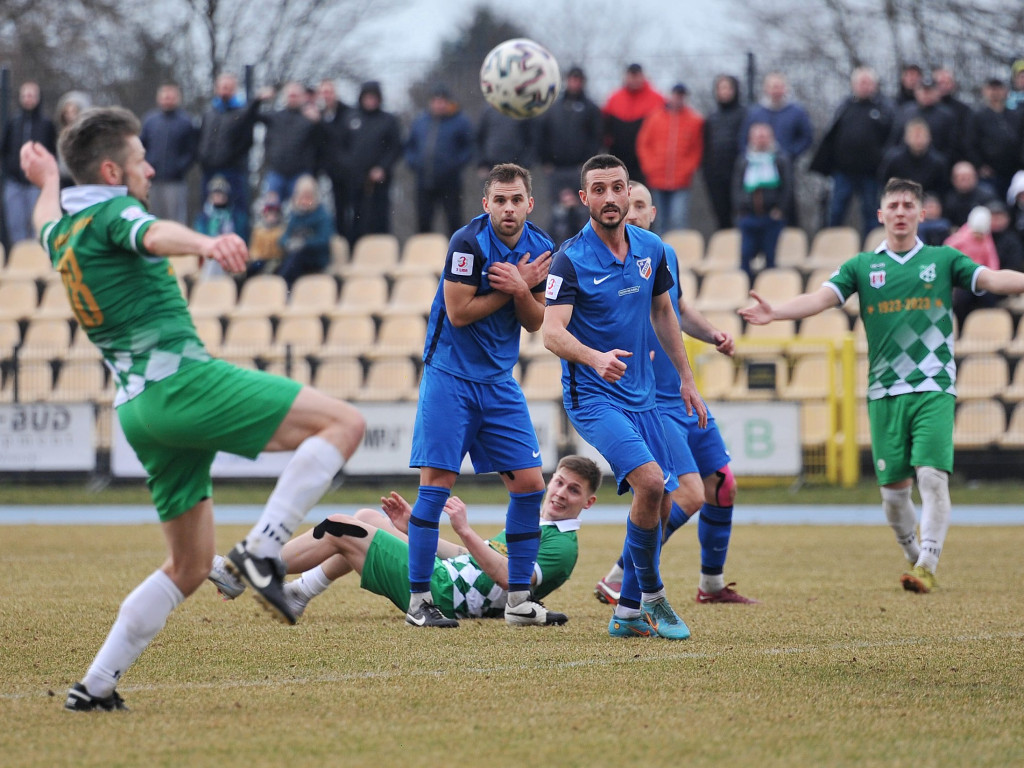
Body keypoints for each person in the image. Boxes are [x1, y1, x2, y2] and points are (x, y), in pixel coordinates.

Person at [21, 107, 366, 712]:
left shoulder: (63, 230)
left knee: (188, 565)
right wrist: (206, 241)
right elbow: (150, 233)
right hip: (179, 382)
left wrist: (48, 179)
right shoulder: (115, 211)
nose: (150, 168)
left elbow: (45, 214)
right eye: (139, 159)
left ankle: (95, 685)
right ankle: (264, 548)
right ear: (111, 169)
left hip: (136, 409)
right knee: (346, 423)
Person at [739, 177, 1024, 594]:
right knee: (894, 497)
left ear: (922, 214)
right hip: (884, 391)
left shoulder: (945, 260)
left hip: (933, 386)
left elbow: (995, 280)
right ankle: (914, 556)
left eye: (910, 205)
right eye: (894, 206)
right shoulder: (862, 267)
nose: (902, 212)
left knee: (932, 478)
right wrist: (776, 312)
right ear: (881, 214)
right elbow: (820, 299)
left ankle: (928, 560)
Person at [542, 153, 707, 640]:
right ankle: (653, 596)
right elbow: (552, 333)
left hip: (644, 397)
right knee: (653, 484)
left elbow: (664, 313)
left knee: (656, 501)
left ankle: (627, 612)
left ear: (627, 190)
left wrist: (686, 377)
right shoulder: (568, 259)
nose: (610, 198)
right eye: (600, 189)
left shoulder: (651, 248)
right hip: (593, 397)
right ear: (584, 197)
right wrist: (594, 358)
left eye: (618, 188)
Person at [405, 163, 555, 629]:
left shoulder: (544, 248)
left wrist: (523, 289)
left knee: (531, 485)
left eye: (516, 200)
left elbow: (535, 322)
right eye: (500, 201)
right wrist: (515, 286)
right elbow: (459, 311)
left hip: (498, 381)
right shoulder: (466, 243)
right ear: (485, 204)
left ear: (530, 204)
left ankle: (519, 601)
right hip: (449, 377)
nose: (508, 209)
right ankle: (419, 603)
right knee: (435, 487)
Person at [593, 181, 756, 607]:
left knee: (723, 486)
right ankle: (620, 575)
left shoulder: (661, 255)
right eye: (628, 205)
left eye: (640, 204)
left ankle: (712, 585)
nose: (631, 212)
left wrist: (713, 333)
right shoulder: (609, 264)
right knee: (688, 493)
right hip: (652, 403)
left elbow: (677, 311)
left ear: (651, 213)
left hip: (683, 394)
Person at [209, 455, 601, 621]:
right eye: (559, 482)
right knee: (366, 517)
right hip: (450, 577)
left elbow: (506, 578)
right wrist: (414, 529)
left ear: (588, 502)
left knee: (339, 527)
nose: (560, 493)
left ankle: (238, 574)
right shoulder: (538, 521)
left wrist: (463, 528)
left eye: (573, 490)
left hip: (445, 595)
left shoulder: (562, 547)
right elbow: (474, 560)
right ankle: (297, 596)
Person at [812, 67, 894, 238]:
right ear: (853, 85)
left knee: (871, 213)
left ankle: (872, 250)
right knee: (836, 211)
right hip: (843, 172)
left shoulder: (884, 108)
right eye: (861, 82)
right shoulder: (844, 106)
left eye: (868, 82)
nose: (864, 86)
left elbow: (891, 138)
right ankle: (831, 245)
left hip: (871, 173)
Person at [197, 73, 267, 241]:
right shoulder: (209, 112)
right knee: (207, 210)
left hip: (233, 171)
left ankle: (239, 245)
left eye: (228, 87)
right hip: (209, 170)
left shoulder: (241, 112)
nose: (224, 90)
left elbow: (247, 140)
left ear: (234, 89)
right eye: (222, 86)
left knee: (237, 211)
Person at [740, 72, 813, 226]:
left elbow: (807, 137)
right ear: (766, 89)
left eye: (779, 86)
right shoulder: (755, 113)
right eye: (772, 87)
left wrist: (791, 154)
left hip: (786, 168)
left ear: (785, 88)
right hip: (758, 172)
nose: (776, 90)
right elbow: (744, 138)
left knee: (788, 203)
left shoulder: (797, 112)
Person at [535, 65, 603, 229]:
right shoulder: (554, 108)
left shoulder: (591, 108)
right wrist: (545, 161)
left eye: (578, 80)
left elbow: (596, 138)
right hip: (556, 169)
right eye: (572, 79)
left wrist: (588, 163)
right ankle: (555, 248)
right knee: (557, 213)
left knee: (581, 212)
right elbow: (542, 134)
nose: (575, 83)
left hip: (579, 169)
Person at [405, 85, 475, 236]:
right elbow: (410, 146)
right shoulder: (420, 121)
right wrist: (414, 162)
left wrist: (454, 164)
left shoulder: (460, 121)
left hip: (450, 181)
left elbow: (469, 147)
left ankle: (455, 254)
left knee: (453, 220)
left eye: (442, 101)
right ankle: (424, 254)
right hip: (424, 180)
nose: (439, 105)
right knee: (423, 221)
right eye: (436, 101)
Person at [635, 83, 704, 233]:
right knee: (659, 221)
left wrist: (687, 170)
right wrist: (650, 167)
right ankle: (660, 254)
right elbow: (643, 144)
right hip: (657, 179)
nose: (678, 98)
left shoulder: (694, 120)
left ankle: (678, 254)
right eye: (676, 94)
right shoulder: (654, 118)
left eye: (681, 95)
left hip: (681, 181)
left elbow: (696, 149)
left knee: (679, 219)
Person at [733, 121, 793, 280]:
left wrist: (780, 209)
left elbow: (787, 187)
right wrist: (741, 210)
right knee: (745, 256)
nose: (761, 140)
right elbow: (736, 186)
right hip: (749, 217)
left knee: (770, 258)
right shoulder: (744, 160)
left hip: (771, 217)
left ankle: (770, 290)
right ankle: (746, 290)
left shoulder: (779, 159)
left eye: (764, 136)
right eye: (757, 136)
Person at [345, 81, 402, 244]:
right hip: (355, 179)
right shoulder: (351, 118)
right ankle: (355, 251)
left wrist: (382, 167)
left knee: (380, 215)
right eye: (367, 97)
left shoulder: (388, 120)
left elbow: (395, 147)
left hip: (380, 179)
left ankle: (382, 252)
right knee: (356, 216)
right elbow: (342, 146)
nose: (370, 101)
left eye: (374, 97)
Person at [2, 81, 57, 246]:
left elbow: (52, 152)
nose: (28, 99)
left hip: (37, 184)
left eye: (31, 95)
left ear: (38, 98)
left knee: (37, 225)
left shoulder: (47, 124)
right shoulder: (13, 122)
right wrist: (8, 171)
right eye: (25, 95)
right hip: (14, 183)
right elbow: (4, 149)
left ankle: (38, 263)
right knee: (15, 225)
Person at [139, 83, 197, 224]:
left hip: (175, 182)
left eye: (171, 96)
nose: (167, 99)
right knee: (152, 219)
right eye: (165, 96)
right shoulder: (150, 120)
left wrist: (179, 168)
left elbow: (192, 151)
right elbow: (141, 147)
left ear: (178, 98)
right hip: (152, 180)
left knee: (175, 220)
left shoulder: (186, 122)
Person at [601, 63, 664, 186]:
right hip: (619, 160)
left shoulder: (657, 99)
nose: (634, 79)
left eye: (637, 76)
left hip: (646, 163)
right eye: (631, 75)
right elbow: (605, 125)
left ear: (643, 77)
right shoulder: (614, 98)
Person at [259, 81, 322, 203]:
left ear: (303, 97)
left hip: (301, 174)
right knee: (271, 209)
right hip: (276, 172)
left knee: (301, 211)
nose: (292, 98)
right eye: (290, 95)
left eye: (296, 95)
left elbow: (323, 144)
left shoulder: (311, 118)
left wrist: (319, 123)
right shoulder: (275, 116)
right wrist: (259, 100)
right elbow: (251, 117)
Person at [702, 74, 747, 231]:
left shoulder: (745, 114)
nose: (724, 92)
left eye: (728, 88)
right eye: (721, 88)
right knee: (721, 216)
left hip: (739, 173)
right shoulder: (711, 118)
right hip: (716, 175)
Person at [965, 77, 1022, 202]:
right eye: (991, 89)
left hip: (1014, 171)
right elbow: (970, 144)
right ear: (984, 91)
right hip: (990, 174)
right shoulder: (977, 116)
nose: (995, 92)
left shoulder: (1016, 115)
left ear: (1005, 91)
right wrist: (980, 165)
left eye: (998, 88)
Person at [275, 174, 333, 287]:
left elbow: (325, 239)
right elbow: (283, 238)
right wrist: (288, 242)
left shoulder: (322, 216)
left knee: (296, 258)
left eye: (308, 197)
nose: (305, 201)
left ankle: (283, 285)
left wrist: (304, 243)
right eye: (302, 197)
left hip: (315, 259)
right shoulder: (295, 216)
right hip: (296, 258)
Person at [946, 205, 1001, 325]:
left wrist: (994, 276)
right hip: (962, 278)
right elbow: (947, 253)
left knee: (989, 298)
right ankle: (960, 328)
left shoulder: (986, 239)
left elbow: (992, 259)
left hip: (981, 277)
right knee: (961, 300)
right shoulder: (961, 238)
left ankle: (989, 326)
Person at [315, 78, 352, 239]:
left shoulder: (347, 113)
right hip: (322, 172)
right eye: (323, 93)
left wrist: (320, 123)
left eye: (329, 92)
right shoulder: (316, 113)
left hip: (343, 172)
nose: (326, 96)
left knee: (344, 211)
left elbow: (339, 137)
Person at [877, 118, 949, 199]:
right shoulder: (894, 159)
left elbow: (943, 191)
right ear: (906, 138)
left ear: (929, 138)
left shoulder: (938, 162)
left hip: (928, 203)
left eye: (922, 136)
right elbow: (883, 185)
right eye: (914, 136)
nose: (918, 140)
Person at [193, 175, 245, 279]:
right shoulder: (204, 217)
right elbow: (200, 237)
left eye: (221, 194)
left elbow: (240, 237)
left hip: (230, 253)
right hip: (209, 253)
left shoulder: (234, 216)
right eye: (215, 194)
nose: (218, 197)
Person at [54, 90, 92, 188]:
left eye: (74, 111)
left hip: (83, 180)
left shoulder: (90, 135)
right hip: (64, 180)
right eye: (67, 112)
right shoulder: (61, 133)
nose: (70, 116)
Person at [943, 161, 996, 229]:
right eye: (962, 178)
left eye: (968, 177)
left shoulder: (987, 195)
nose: (966, 181)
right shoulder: (949, 199)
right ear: (953, 180)